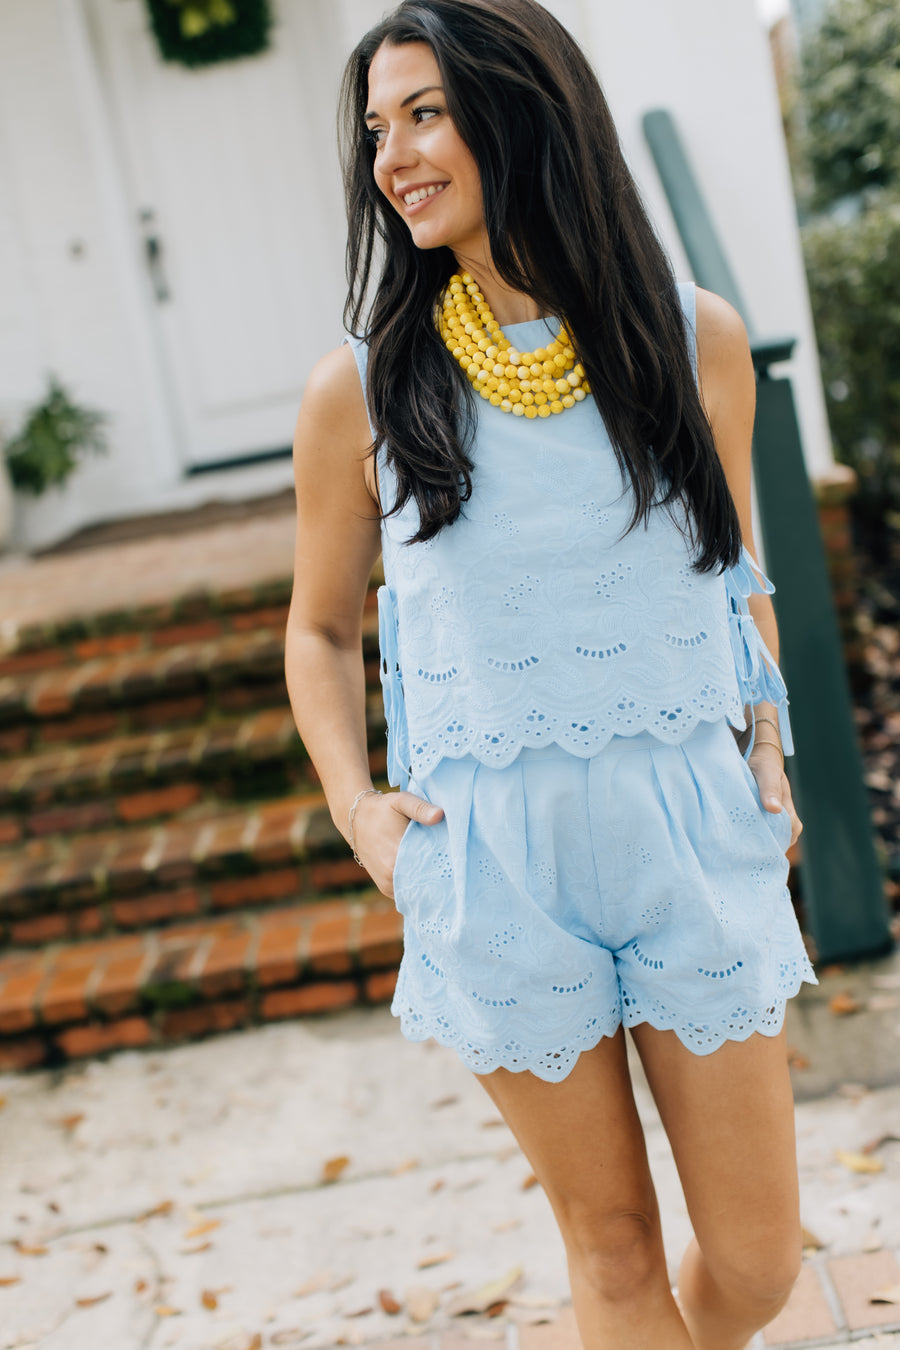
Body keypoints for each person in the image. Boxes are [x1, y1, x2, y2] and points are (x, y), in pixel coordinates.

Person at [285, 2, 818, 1346]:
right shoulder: (361, 390)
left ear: (523, 110)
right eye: (376, 129)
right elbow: (319, 629)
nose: (393, 156)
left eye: (424, 114)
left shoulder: (692, 340)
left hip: (690, 829)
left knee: (758, 1260)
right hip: (495, 862)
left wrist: (768, 750)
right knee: (615, 1248)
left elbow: (737, 575)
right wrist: (358, 809)